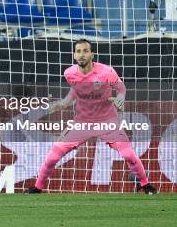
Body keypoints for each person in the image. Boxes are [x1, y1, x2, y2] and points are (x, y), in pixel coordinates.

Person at [25, 39, 157, 194]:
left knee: (128, 154)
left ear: (92, 54)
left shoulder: (106, 72)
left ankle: (145, 184)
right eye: (78, 51)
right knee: (53, 157)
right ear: (74, 55)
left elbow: (121, 88)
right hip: (81, 124)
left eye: (85, 51)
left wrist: (121, 98)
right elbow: (77, 90)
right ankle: (38, 187)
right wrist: (64, 103)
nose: (82, 54)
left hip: (107, 122)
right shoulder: (69, 73)